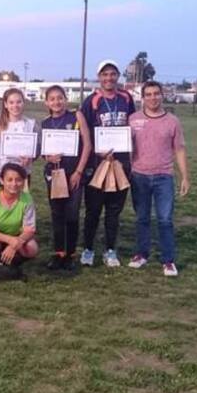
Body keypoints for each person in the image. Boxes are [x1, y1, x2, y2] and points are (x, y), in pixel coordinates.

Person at [127, 80, 190, 276]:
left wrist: (185, 177)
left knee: (165, 220)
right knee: (142, 218)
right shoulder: (133, 119)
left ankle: (168, 260)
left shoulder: (172, 121)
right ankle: (142, 254)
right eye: (149, 94)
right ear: (143, 98)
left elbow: (179, 150)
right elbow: (124, 146)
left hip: (164, 177)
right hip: (139, 176)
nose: (153, 98)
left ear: (162, 95)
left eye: (156, 94)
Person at [80, 59, 136, 267]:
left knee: (114, 211)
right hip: (97, 164)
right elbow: (83, 133)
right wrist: (97, 150)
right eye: (104, 74)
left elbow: (132, 125)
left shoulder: (126, 98)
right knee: (93, 210)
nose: (109, 77)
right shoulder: (91, 101)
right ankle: (88, 249)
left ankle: (110, 250)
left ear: (118, 76)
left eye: (112, 73)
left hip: (120, 163)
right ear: (99, 77)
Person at [41, 85, 92, 271]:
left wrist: (79, 171)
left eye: (60, 98)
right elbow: (43, 152)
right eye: (52, 99)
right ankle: (58, 253)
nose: (57, 102)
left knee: (72, 214)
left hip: (73, 174)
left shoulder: (76, 116)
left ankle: (70, 254)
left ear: (65, 99)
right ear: (46, 102)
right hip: (54, 174)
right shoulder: (45, 123)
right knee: (57, 213)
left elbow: (87, 145)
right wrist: (48, 157)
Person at [0, 163, 38, 281]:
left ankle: (14, 265)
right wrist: (11, 241)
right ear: (1, 180)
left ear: (23, 182)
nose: (14, 184)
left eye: (18, 180)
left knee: (32, 248)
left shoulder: (27, 199)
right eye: (9, 180)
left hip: (17, 235)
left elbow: (30, 229)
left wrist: (15, 244)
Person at [0, 88, 37, 189]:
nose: (15, 106)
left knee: (20, 204)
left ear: (24, 103)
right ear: (5, 104)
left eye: (19, 102)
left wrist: (30, 158)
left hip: (21, 173)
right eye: (11, 102)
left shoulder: (31, 124)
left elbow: (35, 150)